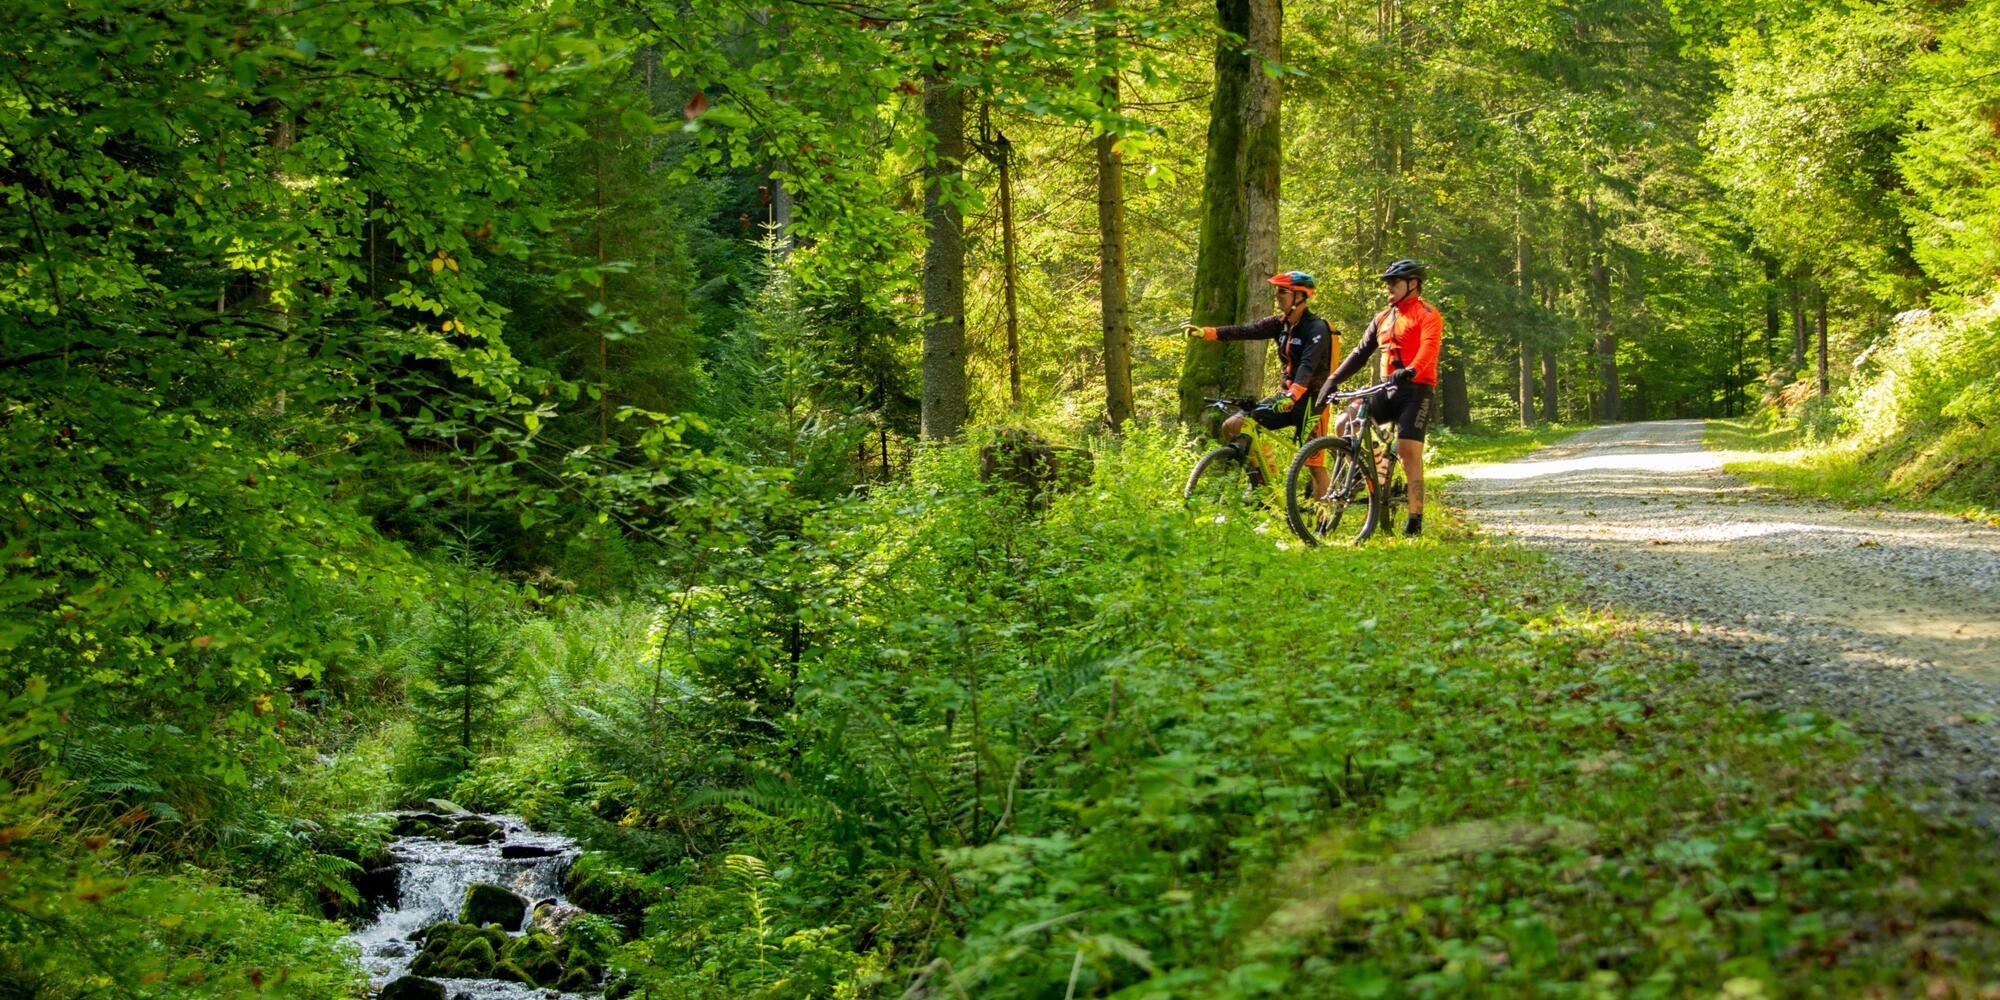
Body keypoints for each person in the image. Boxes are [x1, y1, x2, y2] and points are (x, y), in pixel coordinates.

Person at [1185, 270, 1338, 493]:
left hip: (1312, 401)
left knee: (1314, 464)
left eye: (1282, 291)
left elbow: (1308, 365)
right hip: (1287, 397)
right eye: (1276, 291)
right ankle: (1269, 487)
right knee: (1234, 425)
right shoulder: (1280, 324)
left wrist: (1293, 395)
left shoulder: (1316, 327)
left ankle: (1323, 524)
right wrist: (1207, 333)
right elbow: (1246, 330)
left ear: (1300, 296)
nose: (1276, 295)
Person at [1320, 258, 1441, 537]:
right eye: (1387, 283)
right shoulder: (1383, 318)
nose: (1389, 288)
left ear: (1413, 284)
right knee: (1344, 422)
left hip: (1416, 390)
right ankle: (1367, 474)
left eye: (1394, 283)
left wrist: (1411, 369)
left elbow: (1429, 348)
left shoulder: (1427, 313)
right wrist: (1333, 379)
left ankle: (1415, 519)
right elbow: (1360, 353)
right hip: (1386, 388)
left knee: (1409, 450)